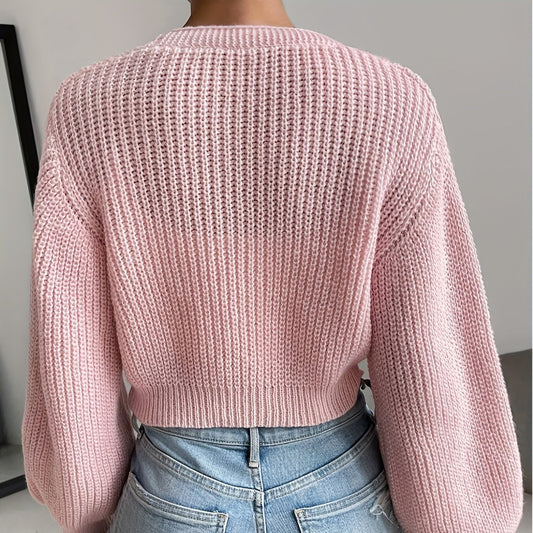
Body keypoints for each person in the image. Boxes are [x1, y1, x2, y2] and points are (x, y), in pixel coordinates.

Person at [21, 1, 524, 532]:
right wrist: (453, 512)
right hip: (341, 482)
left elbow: (69, 336)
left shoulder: (89, 102)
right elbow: (425, 337)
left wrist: (84, 499)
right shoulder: (391, 97)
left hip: (173, 485)